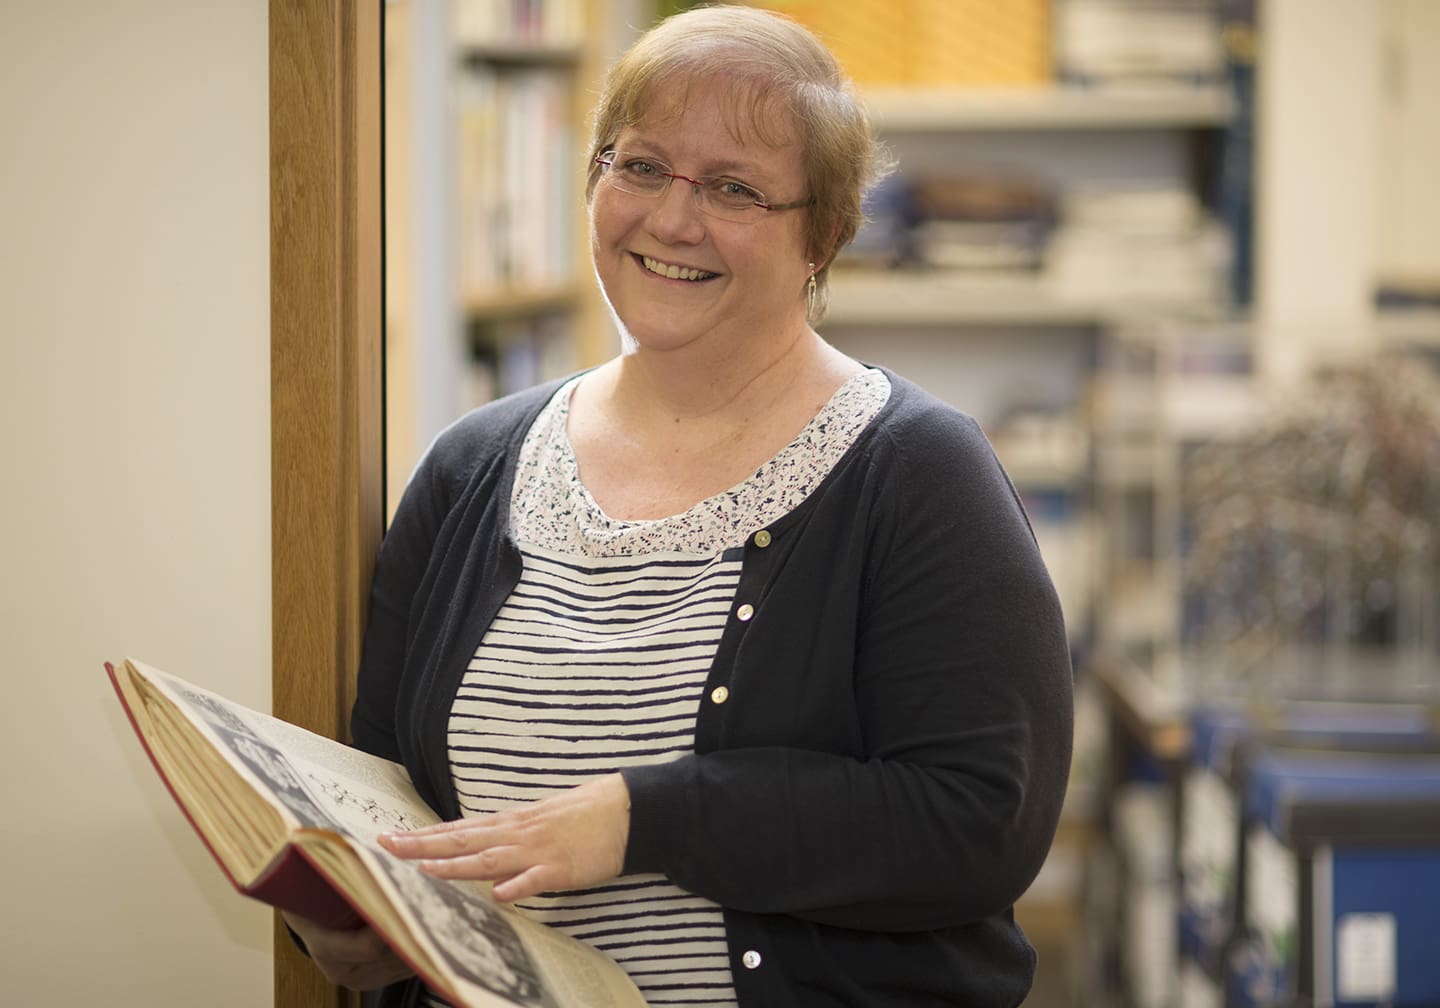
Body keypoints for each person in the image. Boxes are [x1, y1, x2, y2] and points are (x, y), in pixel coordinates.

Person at [284, 5, 1074, 1006]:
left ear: (823, 236)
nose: (671, 219)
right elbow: (392, 793)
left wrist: (639, 820)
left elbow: (978, 821)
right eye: (642, 166)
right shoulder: (468, 470)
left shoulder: (917, 472)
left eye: (735, 188)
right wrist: (365, 925)